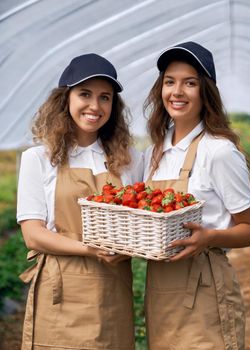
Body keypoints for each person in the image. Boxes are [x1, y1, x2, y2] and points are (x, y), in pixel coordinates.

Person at [16, 53, 143, 349]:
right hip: (61, 289)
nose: (95, 106)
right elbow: (33, 235)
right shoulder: (39, 158)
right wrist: (92, 248)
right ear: (65, 99)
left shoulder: (129, 160)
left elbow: (139, 225)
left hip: (112, 287)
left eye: (105, 98)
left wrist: (126, 249)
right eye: (85, 94)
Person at [143, 41, 250, 349]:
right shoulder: (155, 153)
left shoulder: (218, 151)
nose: (177, 91)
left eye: (190, 83)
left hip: (205, 283)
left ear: (205, 92)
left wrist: (208, 237)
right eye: (170, 82)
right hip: (160, 287)